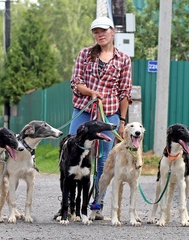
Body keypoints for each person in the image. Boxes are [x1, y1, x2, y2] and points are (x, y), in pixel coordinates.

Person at [54, 16, 132, 220]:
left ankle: (97, 204)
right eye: (96, 32)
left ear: (112, 31)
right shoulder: (85, 54)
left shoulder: (123, 59)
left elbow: (124, 93)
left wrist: (122, 122)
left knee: (104, 161)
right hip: (84, 110)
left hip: (109, 114)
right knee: (70, 151)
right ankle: (68, 205)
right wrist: (91, 93)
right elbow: (75, 82)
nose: (100, 34)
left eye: (103, 30)